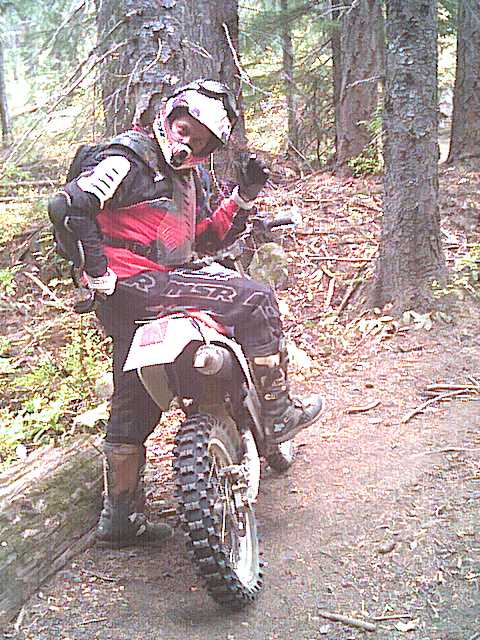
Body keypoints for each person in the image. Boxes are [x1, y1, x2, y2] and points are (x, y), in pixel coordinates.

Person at [48, 79, 323, 548]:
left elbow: (206, 238)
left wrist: (243, 196)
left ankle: (121, 518)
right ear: (170, 115)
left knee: (133, 399)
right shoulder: (128, 158)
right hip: (139, 283)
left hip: (135, 295)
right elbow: (67, 206)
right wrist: (97, 270)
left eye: (202, 141)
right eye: (185, 129)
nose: (189, 142)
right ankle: (278, 413)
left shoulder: (187, 176)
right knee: (256, 299)